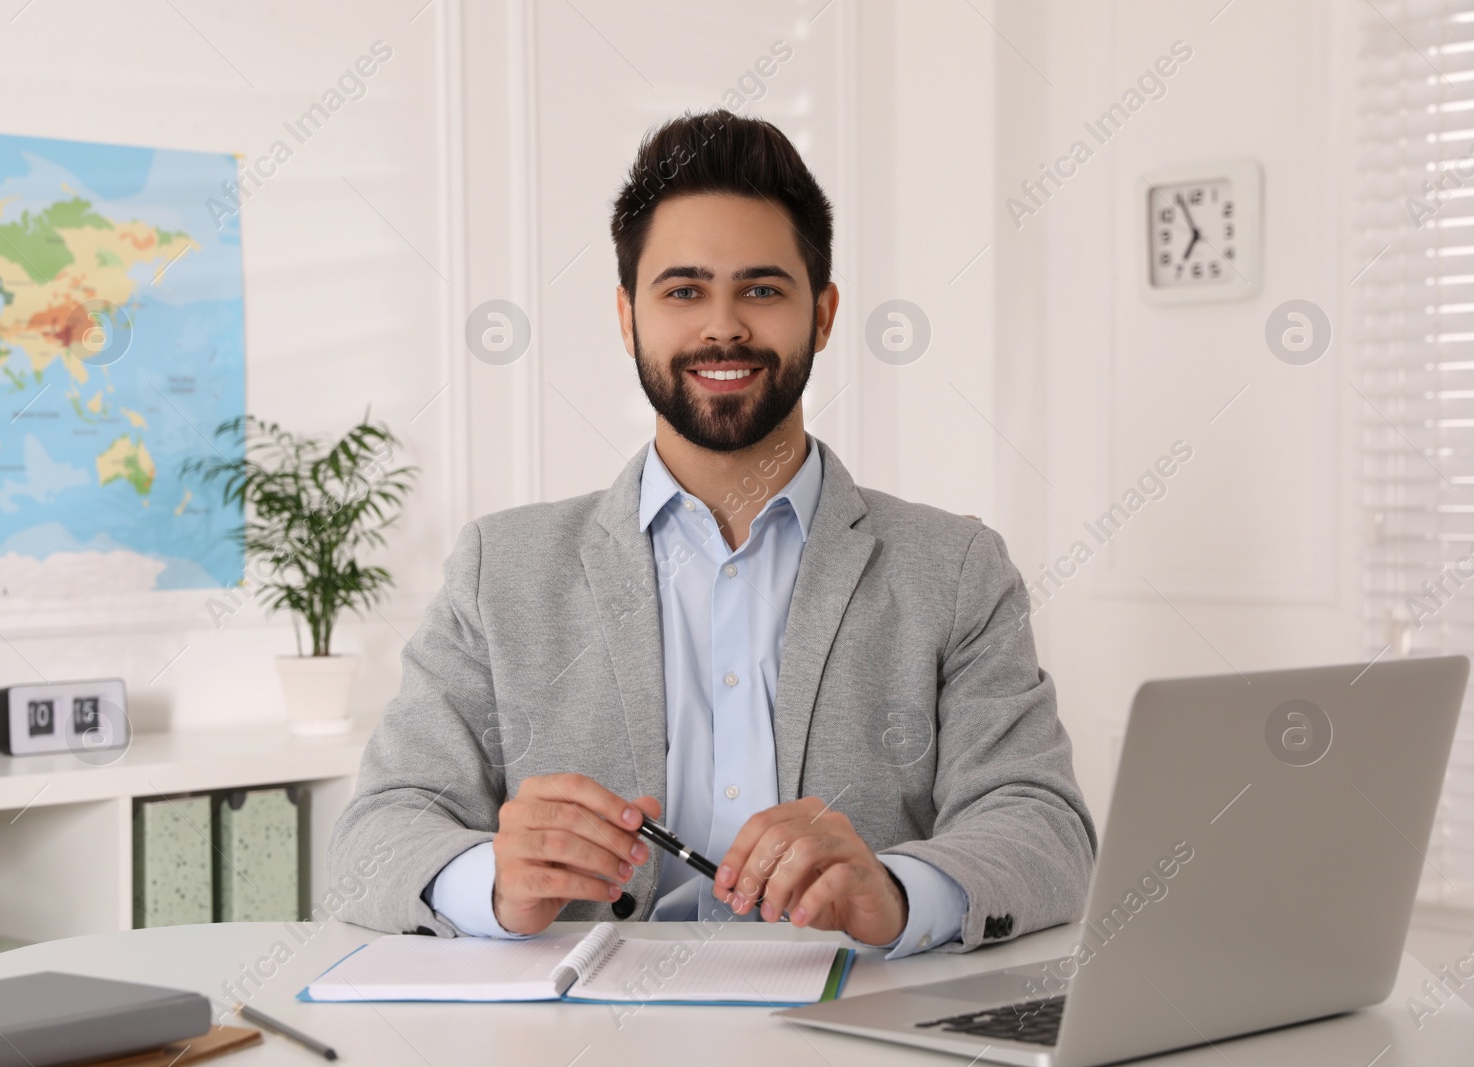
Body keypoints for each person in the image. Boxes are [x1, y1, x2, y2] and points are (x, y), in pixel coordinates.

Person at [327, 109, 1095, 957]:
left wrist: (899, 891)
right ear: (627, 316)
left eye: (761, 290)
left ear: (825, 313)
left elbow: (1044, 826)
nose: (723, 327)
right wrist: (497, 880)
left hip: (855, 1027)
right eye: (683, 290)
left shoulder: (954, 569)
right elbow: (372, 841)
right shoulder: (498, 570)